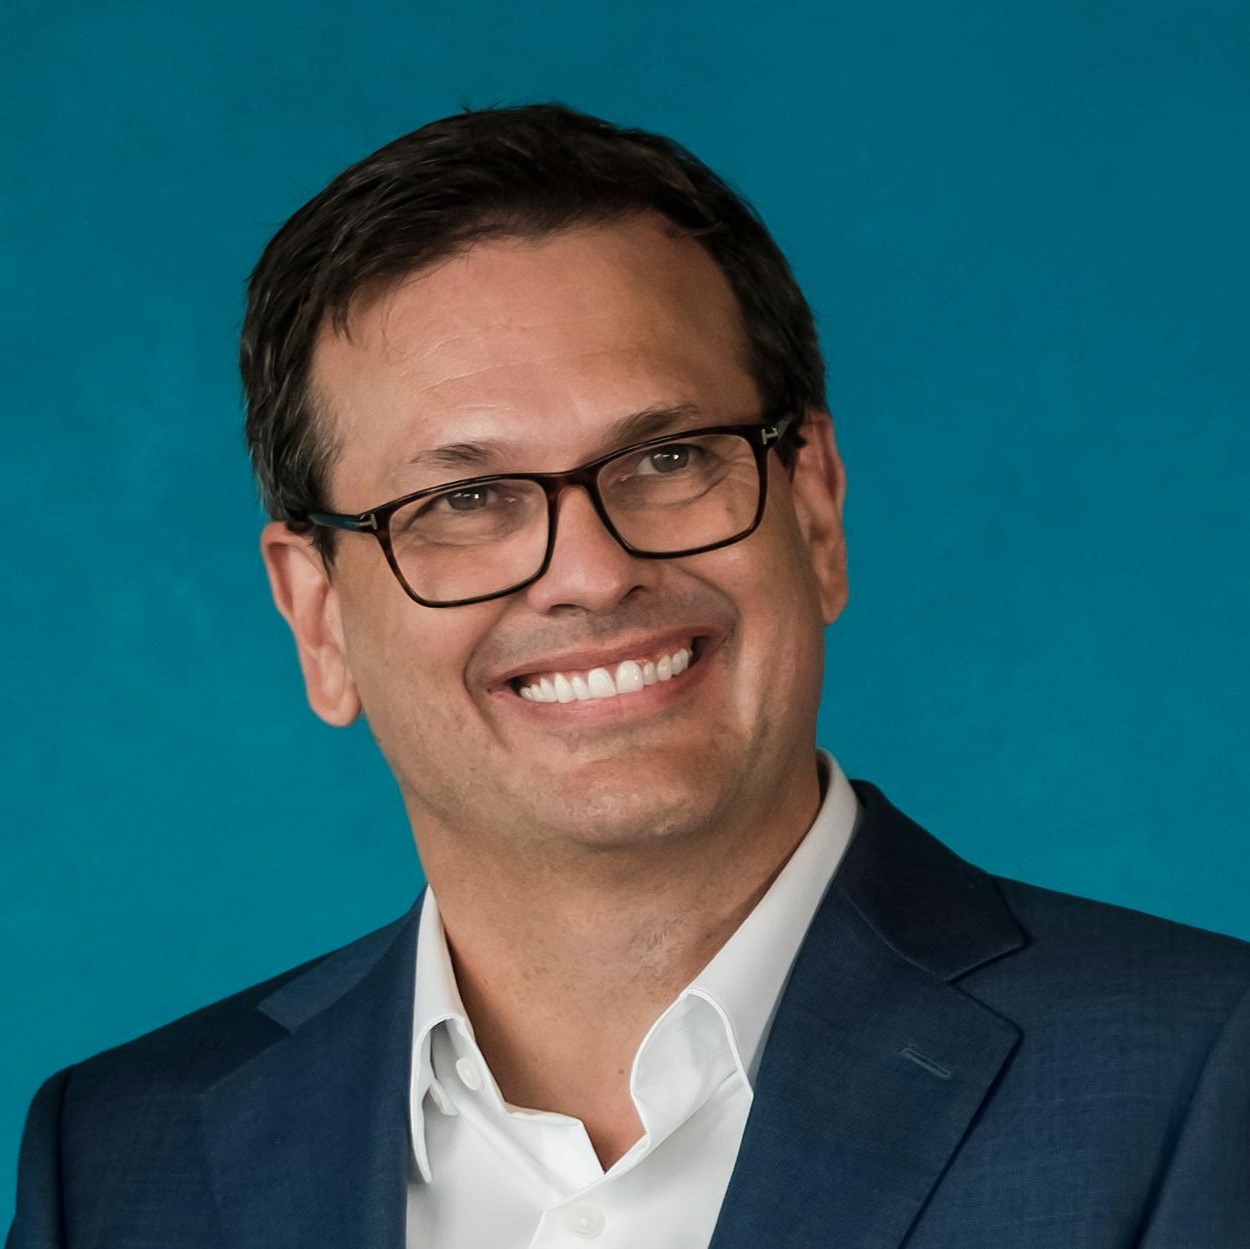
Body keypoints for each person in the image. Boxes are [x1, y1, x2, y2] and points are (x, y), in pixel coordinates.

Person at [7, 103, 1249, 1249]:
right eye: (464, 501)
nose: (591, 574)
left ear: (814, 509)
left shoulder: (1200, 1074)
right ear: (318, 617)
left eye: (667, 459)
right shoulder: (118, 1161)